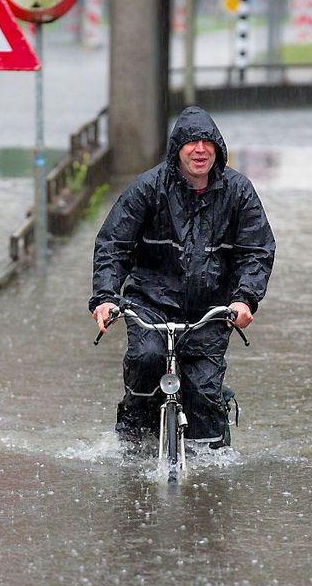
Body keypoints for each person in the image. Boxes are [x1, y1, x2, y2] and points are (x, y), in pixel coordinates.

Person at [89, 106, 276, 448]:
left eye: (207, 142)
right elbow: (113, 244)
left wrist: (244, 298)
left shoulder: (239, 192)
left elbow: (257, 250)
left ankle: (211, 461)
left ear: (218, 147)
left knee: (203, 394)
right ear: (177, 149)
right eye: (191, 143)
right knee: (146, 359)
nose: (200, 149)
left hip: (211, 310)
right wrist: (104, 297)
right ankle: (131, 433)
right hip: (150, 304)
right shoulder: (147, 188)